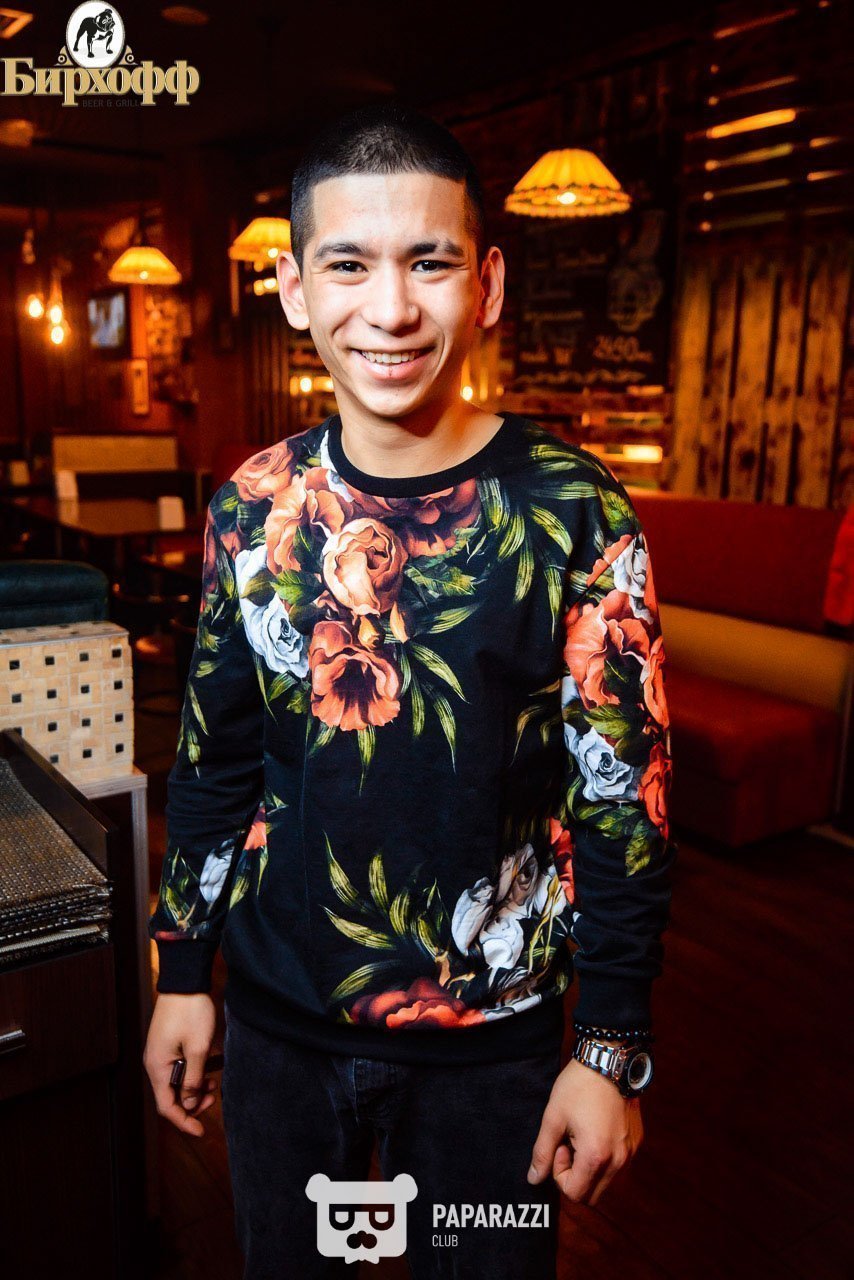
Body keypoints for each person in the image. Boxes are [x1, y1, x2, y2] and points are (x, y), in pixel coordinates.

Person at [144, 102, 676, 1280]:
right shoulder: (252, 505)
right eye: (347, 264)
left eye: (428, 261)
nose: (388, 309)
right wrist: (181, 972)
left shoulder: (574, 506)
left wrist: (609, 1045)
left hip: (495, 1046)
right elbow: (215, 760)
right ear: (293, 289)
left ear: (485, 284)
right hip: (279, 1021)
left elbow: (620, 795)